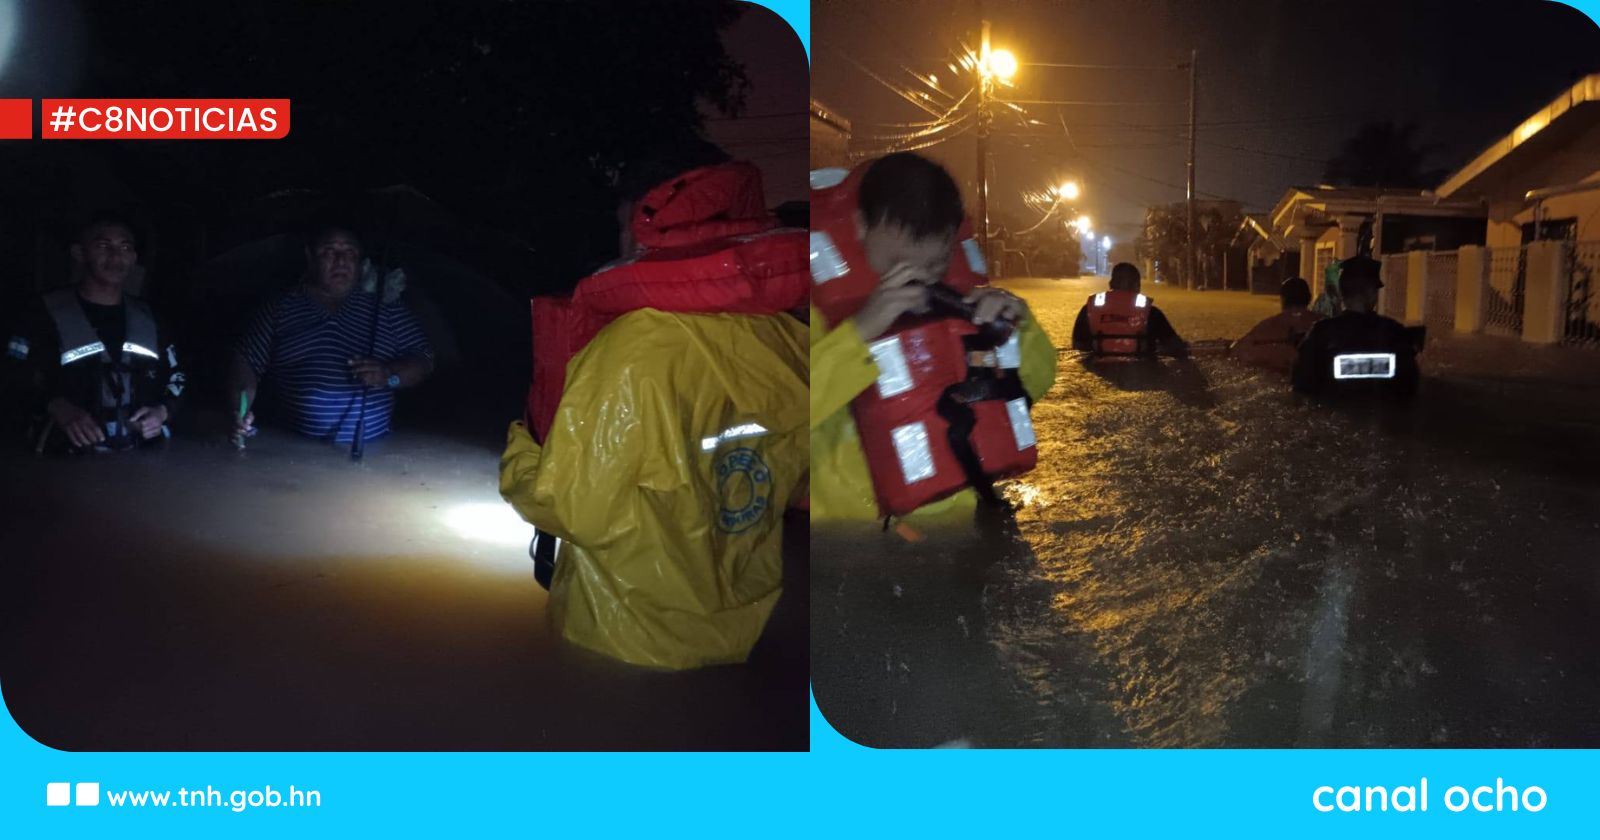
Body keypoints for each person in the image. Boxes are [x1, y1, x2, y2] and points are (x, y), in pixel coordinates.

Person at [499, 138, 809, 669]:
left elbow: (571, 508)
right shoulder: (791, 343)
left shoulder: (629, 353)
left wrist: (520, 447)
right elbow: (798, 483)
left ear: (654, 231)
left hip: (622, 638)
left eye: (627, 226)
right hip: (742, 629)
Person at [810, 151, 1057, 523]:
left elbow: (1034, 386)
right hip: (852, 536)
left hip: (961, 524)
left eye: (934, 264)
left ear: (952, 240)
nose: (920, 279)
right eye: (898, 263)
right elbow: (781, 413)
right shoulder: (814, 315)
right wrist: (857, 333)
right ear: (861, 225)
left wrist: (1017, 328)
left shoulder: (965, 302)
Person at [228, 224, 434, 445]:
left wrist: (389, 375)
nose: (341, 260)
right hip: (291, 448)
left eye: (350, 252)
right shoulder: (280, 308)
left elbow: (425, 359)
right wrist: (239, 410)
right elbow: (246, 362)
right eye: (329, 251)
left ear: (360, 261)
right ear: (310, 257)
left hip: (377, 449)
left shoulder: (386, 307)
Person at [4, 215, 184, 454]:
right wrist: (56, 405)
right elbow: (11, 374)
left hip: (141, 458)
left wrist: (162, 411)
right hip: (62, 460)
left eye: (125, 247)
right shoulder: (41, 313)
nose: (115, 256)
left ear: (134, 258)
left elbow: (177, 376)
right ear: (79, 253)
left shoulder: (150, 318)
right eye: (103, 246)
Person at [1292, 256, 1420, 400]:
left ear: (1341, 293)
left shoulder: (1321, 332)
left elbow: (1301, 385)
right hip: (1382, 415)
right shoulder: (1394, 331)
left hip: (1334, 416)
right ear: (1372, 294)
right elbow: (1410, 386)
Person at [1070, 262, 1188, 359]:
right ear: (1137, 286)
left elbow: (1078, 348)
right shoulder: (1152, 313)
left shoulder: (1088, 310)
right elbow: (1177, 349)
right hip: (1142, 375)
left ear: (1110, 284)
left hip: (1100, 371)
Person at [1230, 276, 1324, 374]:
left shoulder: (1268, 326)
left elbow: (1236, 351)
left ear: (1282, 300)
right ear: (1309, 298)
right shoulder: (1323, 323)